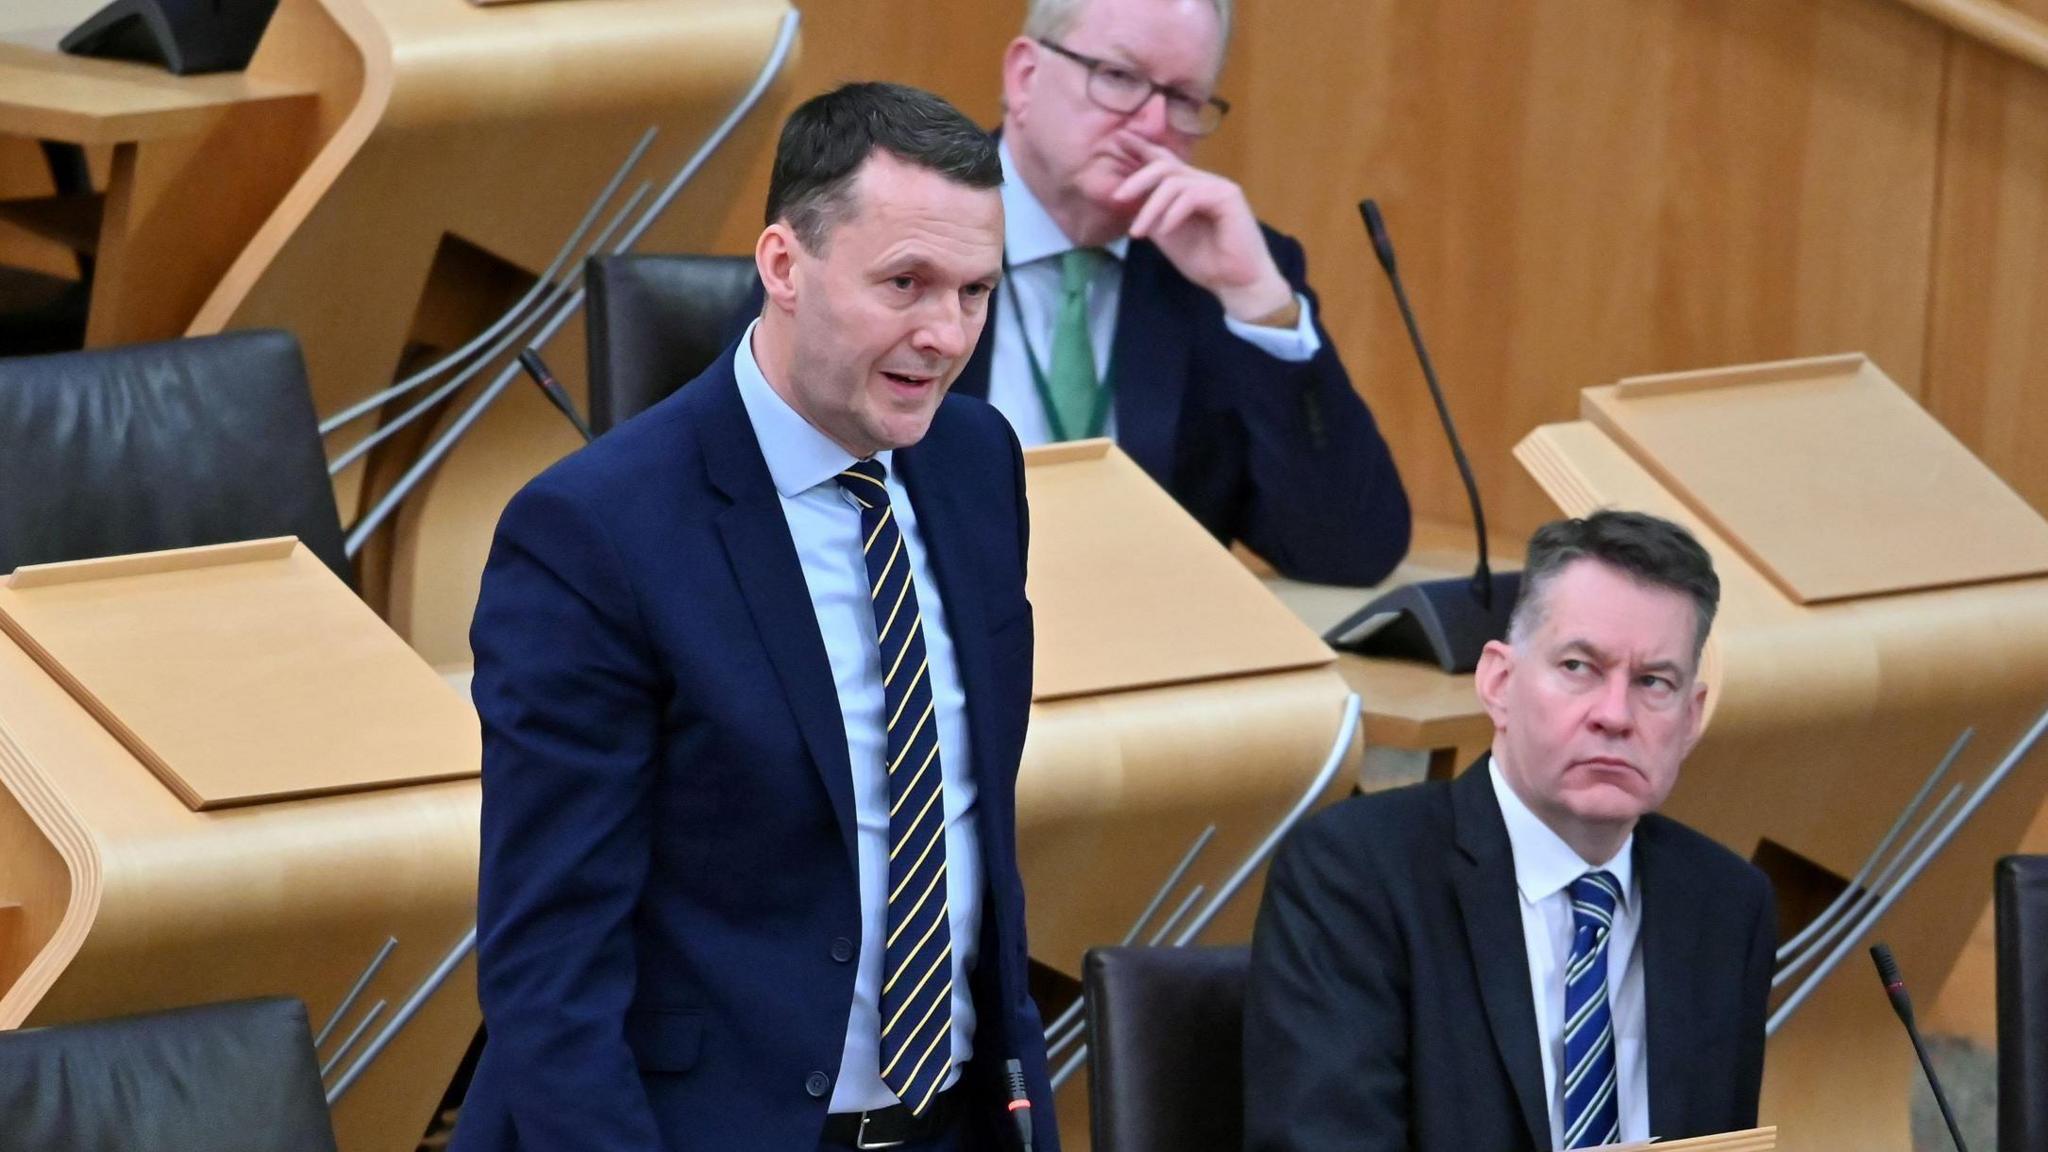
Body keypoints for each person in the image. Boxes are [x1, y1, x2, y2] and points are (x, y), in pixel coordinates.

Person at [454, 82, 1059, 1152]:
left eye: (974, 292)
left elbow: (974, 840)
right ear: (782, 265)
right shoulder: (593, 533)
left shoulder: (975, 465)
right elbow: (550, 967)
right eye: (905, 283)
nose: (944, 333)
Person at [1244, 510, 1775, 1151]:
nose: (1615, 714)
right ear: (1498, 682)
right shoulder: (1356, 873)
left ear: (1691, 719)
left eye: (1652, 682)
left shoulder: (1725, 904)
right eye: (1579, 667)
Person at [970, 0, 1411, 585]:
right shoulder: (898, 235)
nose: (1153, 125)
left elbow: (1349, 550)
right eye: (1120, 77)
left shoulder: (1217, 275)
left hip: (1156, 653)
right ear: (1025, 77)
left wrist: (1256, 302)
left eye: (1182, 99)